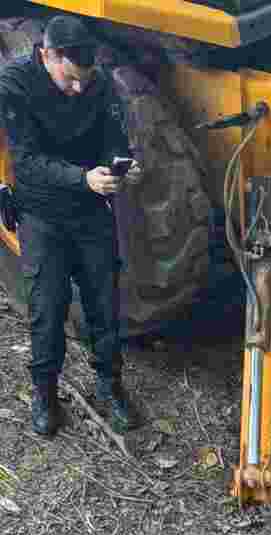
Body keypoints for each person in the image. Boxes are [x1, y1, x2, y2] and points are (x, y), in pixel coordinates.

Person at [0, 15, 142, 437]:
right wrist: (81, 177)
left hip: (90, 208)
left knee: (104, 305)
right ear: (47, 55)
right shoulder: (14, 85)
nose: (79, 88)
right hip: (41, 213)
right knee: (47, 308)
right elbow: (24, 162)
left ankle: (110, 385)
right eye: (70, 79)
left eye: (85, 79)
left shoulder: (94, 81)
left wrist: (124, 164)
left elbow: (112, 134)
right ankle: (44, 393)